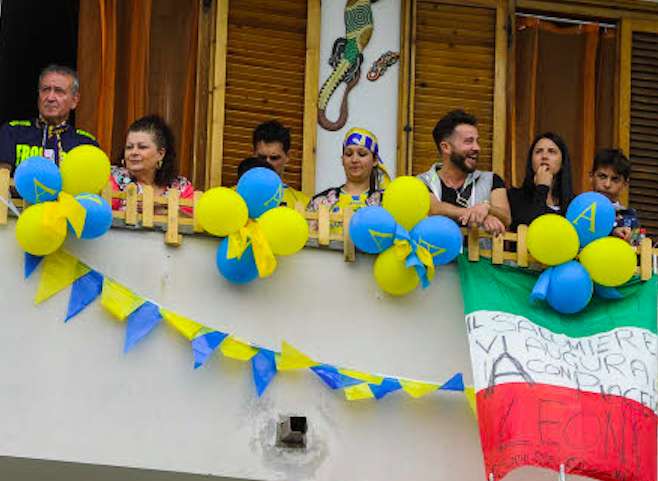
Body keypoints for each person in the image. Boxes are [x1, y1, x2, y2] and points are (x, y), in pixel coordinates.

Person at [417, 110, 511, 235]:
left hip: (479, 255)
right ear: (446, 147)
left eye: (477, 141)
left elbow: (506, 217)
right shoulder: (421, 182)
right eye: (469, 141)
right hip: (432, 254)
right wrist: (480, 216)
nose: (477, 147)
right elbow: (434, 208)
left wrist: (488, 208)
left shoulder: (491, 180)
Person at [0, 64, 98, 174]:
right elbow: (2, 177)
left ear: (74, 100)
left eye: (59, 91)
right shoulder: (13, 132)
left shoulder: (85, 143)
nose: (50, 98)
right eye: (45, 90)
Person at [111, 115, 193, 215]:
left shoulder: (180, 187)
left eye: (142, 147)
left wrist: (164, 211)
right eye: (129, 147)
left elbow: (198, 224)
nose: (134, 152)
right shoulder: (112, 179)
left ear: (160, 154)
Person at [308, 127, 389, 215]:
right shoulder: (320, 201)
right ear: (342, 160)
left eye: (362, 154)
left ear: (375, 160)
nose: (354, 160)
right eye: (349, 154)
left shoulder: (385, 203)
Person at [507, 132, 574, 231]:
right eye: (538, 151)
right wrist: (542, 188)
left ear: (563, 162)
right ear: (531, 161)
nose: (544, 156)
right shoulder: (514, 197)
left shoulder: (573, 204)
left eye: (551, 151)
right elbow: (531, 229)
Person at [252, 120, 309, 208]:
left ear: (288, 156)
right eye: (262, 157)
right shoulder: (236, 195)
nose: (267, 163)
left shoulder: (304, 202)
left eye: (274, 158)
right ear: (253, 155)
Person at [590, 148, 641, 245]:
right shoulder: (578, 209)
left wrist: (631, 239)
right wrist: (611, 233)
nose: (607, 184)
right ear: (591, 177)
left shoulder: (630, 217)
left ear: (625, 184)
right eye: (602, 176)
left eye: (615, 179)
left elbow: (640, 246)